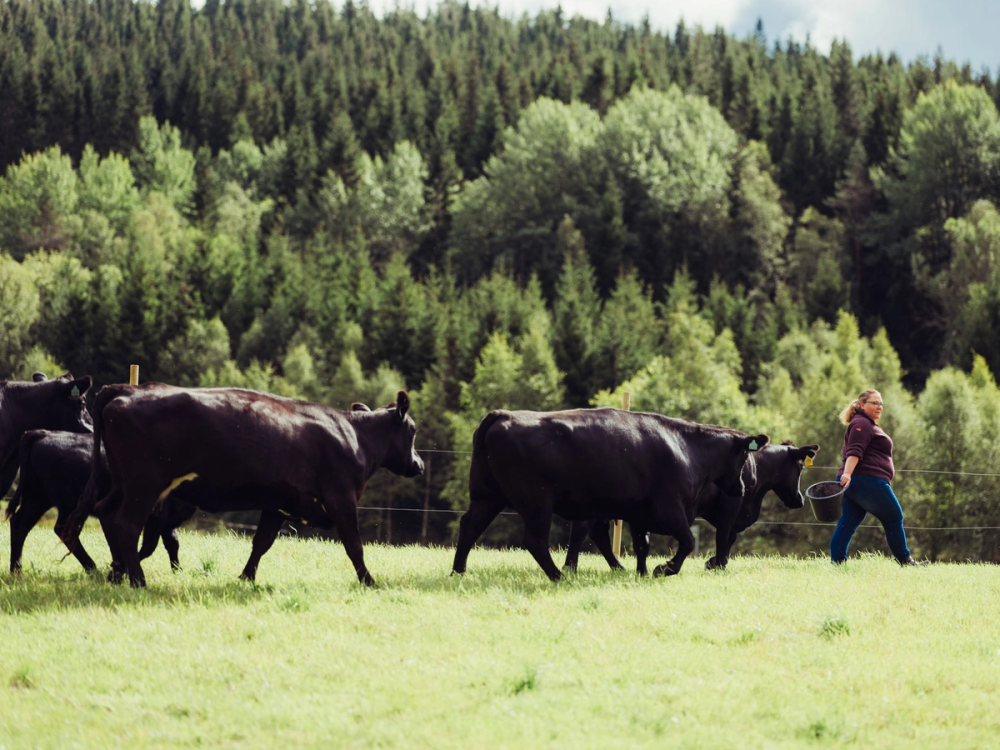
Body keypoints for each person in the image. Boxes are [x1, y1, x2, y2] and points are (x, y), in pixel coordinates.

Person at [831, 389, 927, 566]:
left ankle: (837, 563)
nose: (879, 407)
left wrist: (847, 476)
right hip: (866, 480)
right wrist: (847, 473)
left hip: (856, 481)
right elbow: (855, 451)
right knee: (894, 516)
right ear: (862, 405)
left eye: (881, 403)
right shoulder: (862, 424)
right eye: (874, 403)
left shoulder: (866, 423)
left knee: (848, 522)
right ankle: (905, 561)